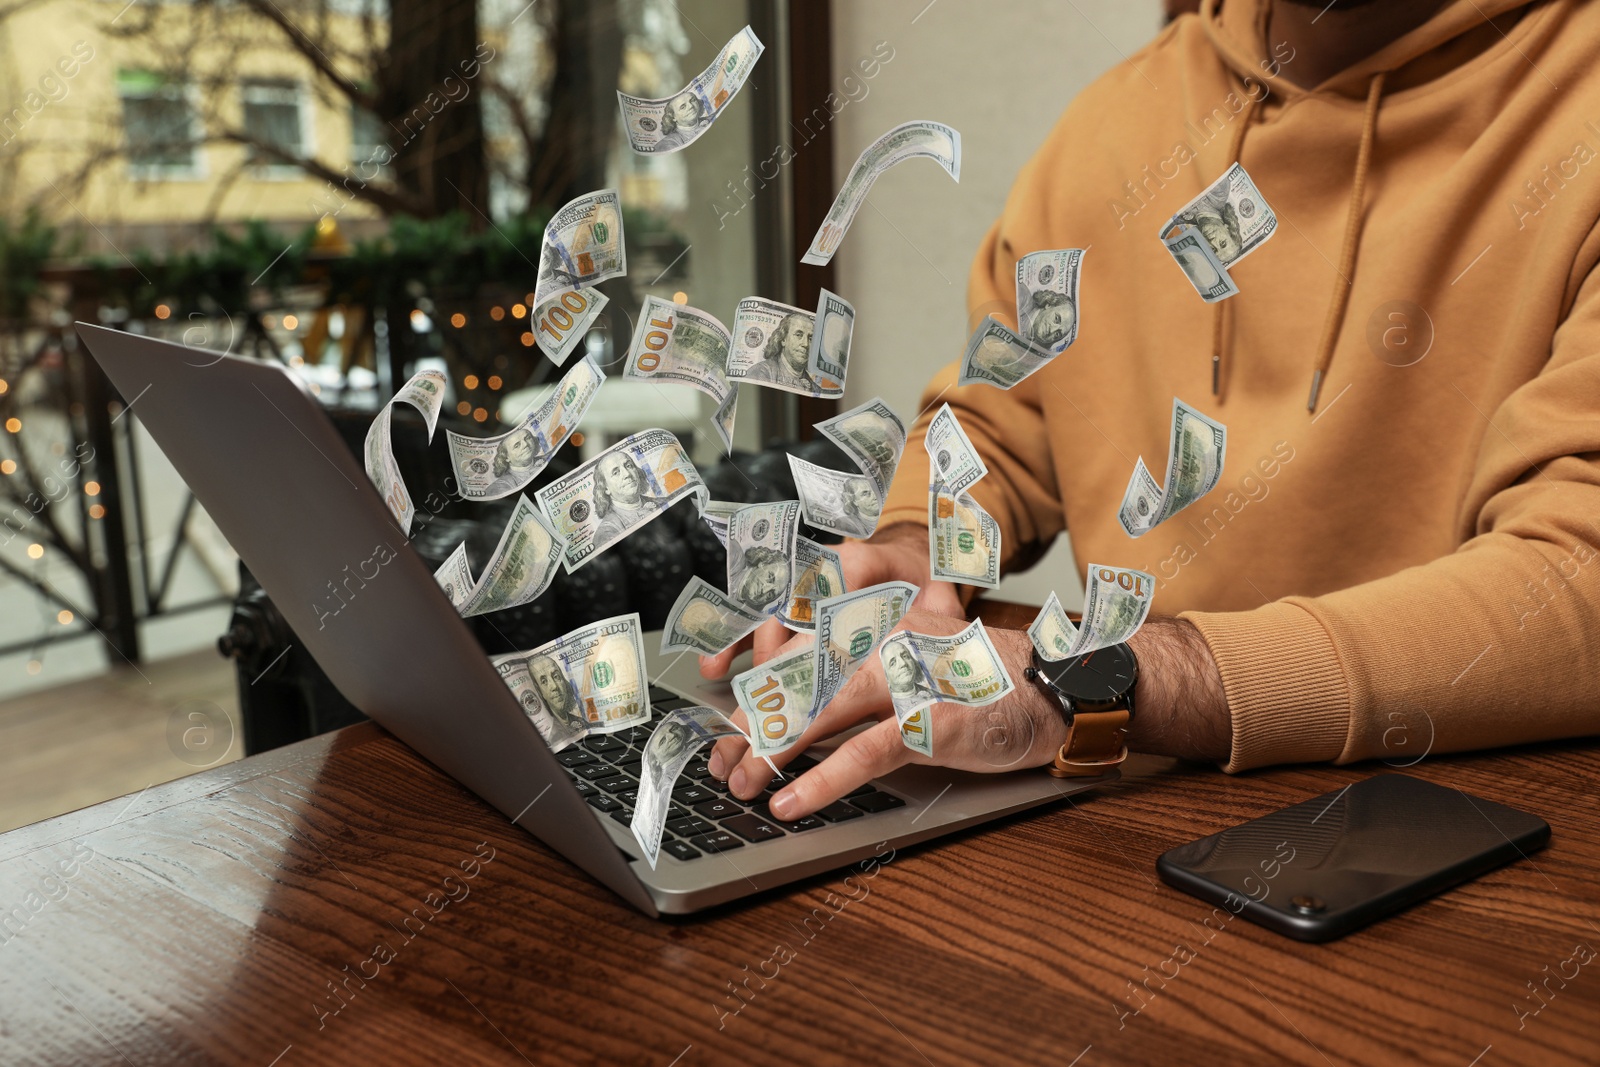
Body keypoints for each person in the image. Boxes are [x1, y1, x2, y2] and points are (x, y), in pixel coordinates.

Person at [699, 0, 1600, 822]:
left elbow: (1578, 582)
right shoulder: (1114, 123)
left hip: (1445, 836)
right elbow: (1005, 425)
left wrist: (1111, 679)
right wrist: (908, 548)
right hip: (1130, 808)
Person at [593, 450, 666, 546]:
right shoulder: (607, 531)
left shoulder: (663, 502)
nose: (627, 474)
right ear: (605, 488)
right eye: (616, 473)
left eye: (629, 466)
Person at [743, 312, 820, 393]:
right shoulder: (761, 372)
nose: (806, 344)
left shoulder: (815, 389)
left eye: (810, 338)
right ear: (783, 339)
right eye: (798, 335)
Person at [528, 653, 585, 733]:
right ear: (539, 691)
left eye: (556, 676)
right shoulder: (545, 734)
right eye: (544, 681)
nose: (554, 686)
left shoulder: (582, 723)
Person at [483, 426, 546, 496]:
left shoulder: (549, 459)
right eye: (517, 445)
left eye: (527, 438)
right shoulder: (500, 486)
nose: (525, 444)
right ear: (506, 457)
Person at [730, 545, 790, 616]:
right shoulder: (734, 556)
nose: (764, 590)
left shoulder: (739, 614)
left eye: (770, 594)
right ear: (762, 564)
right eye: (770, 579)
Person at [883, 641, 940, 712]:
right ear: (886, 676)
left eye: (905, 656)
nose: (903, 663)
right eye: (893, 663)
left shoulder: (934, 695)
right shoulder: (885, 706)